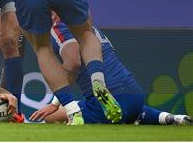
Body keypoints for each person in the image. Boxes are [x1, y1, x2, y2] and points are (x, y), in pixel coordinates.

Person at [30, 18, 192, 125]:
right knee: (127, 109)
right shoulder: (90, 29)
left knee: (52, 115)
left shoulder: (58, 29)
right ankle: (168, 118)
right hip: (134, 95)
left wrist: (54, 103)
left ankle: (90, 114)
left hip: (106, 102)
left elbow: (73, 62)